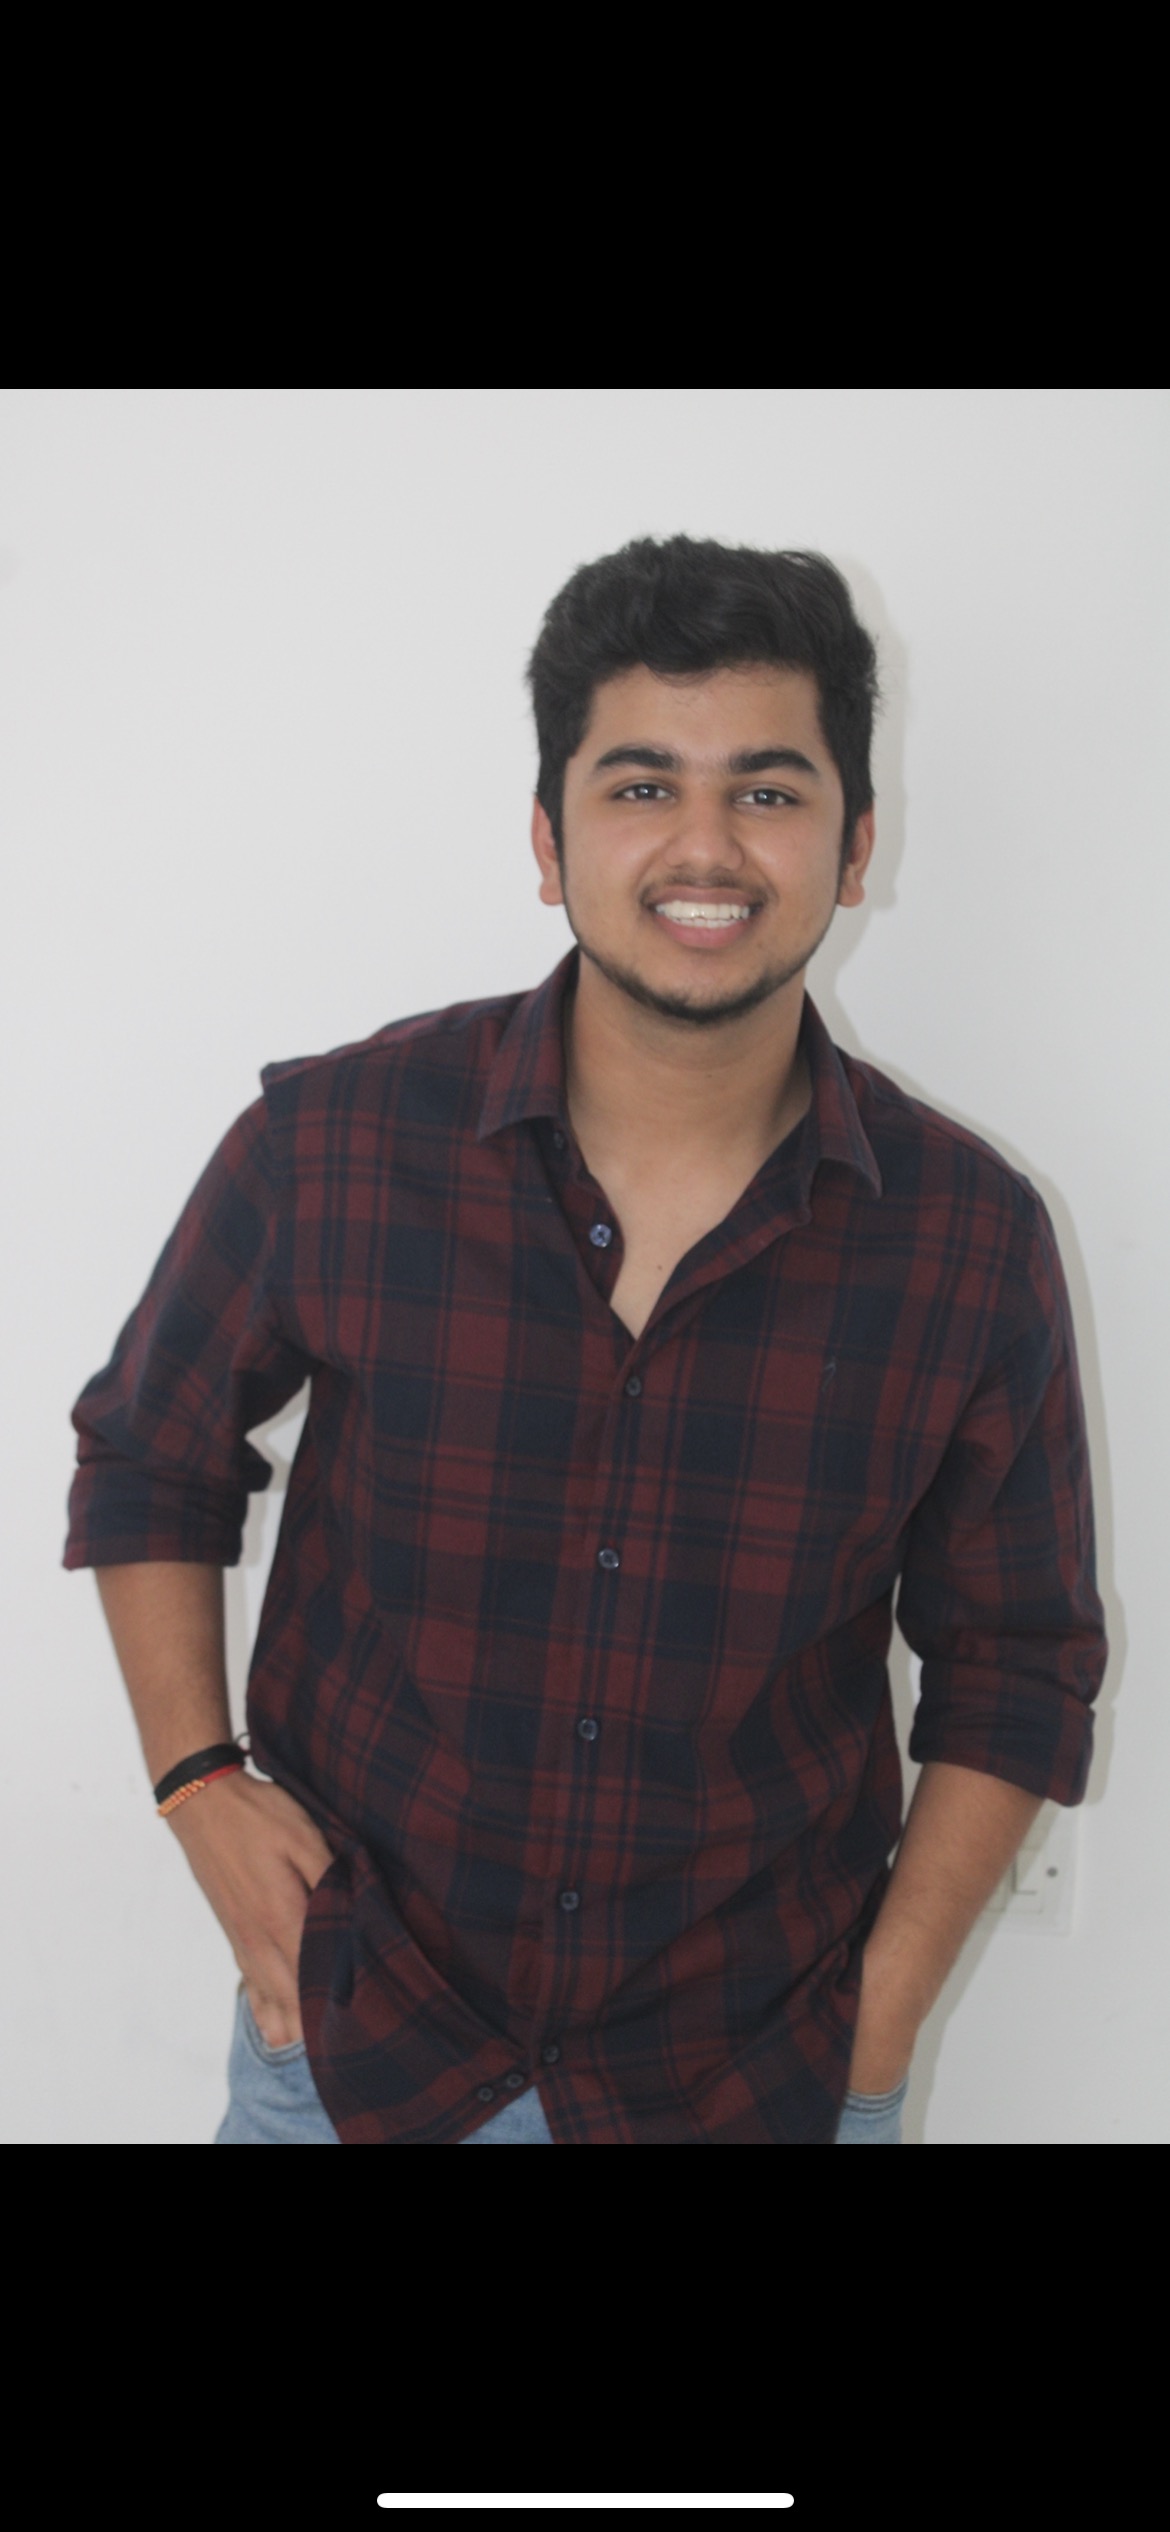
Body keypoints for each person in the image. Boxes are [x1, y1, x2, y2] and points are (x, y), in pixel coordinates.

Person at [64, 536, 1106, 2144]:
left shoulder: (967, 1240)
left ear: (854, 845)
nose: (704, 845)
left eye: (767, 790)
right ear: (548, 841)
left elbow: (1015, 1659)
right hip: (358, 2056)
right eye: (639, 787)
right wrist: (198, 1783)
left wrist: (885, 2011)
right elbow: (150, 1458)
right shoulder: (335, 1145)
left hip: (758, 2081)